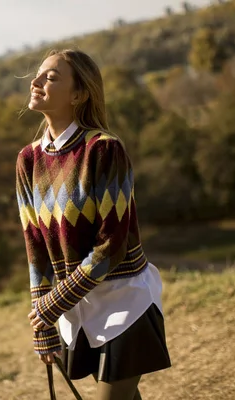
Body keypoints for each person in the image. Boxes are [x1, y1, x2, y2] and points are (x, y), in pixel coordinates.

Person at [15, 49, 171, 400]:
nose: (36, 82)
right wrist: (44, 322)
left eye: (51, 77)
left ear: (78, 94)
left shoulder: (104, 149)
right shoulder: (28, 161)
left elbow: (111, 245)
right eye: (38, 75)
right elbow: (35, 247)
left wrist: (53, 303)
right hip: (77, 312)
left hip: (125, 303)